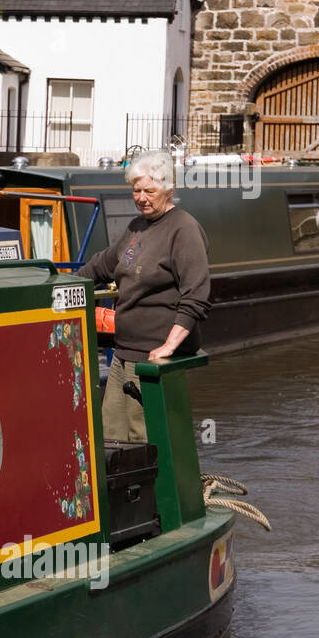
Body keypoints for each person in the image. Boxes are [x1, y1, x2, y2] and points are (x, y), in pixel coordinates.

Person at [75, 150, 210, 442]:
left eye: (150, 190)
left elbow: (196, 295)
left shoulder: (184, 229)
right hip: (124, 352)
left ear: (169, 189)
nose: (141, 197)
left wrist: (168, 347)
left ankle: (151, 490)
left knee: (143, 437)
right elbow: (104, 264)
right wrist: (63, 284)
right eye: (136, 190)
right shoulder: (137, 227)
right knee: (110, 434)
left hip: (152, 355)